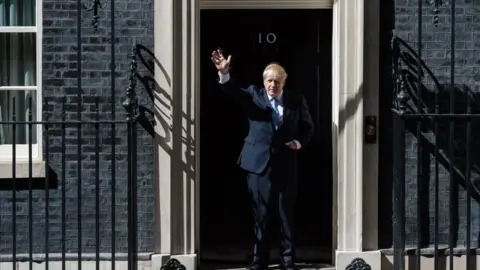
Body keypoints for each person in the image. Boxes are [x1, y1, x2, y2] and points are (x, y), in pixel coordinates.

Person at [211, 49, 314, 270]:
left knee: (285, 213)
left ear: (284, 82)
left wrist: (297, 143)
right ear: (263, 81)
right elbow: (231, 91)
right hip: (258, 165)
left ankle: (287, 259)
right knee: (262, 212)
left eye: (277, 81)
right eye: (269, 81)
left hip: (286, 164)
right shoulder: (253, 95)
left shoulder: (296, 101)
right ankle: (260, 260)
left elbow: (308, 128)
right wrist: (224, 74)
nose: (272, 85)